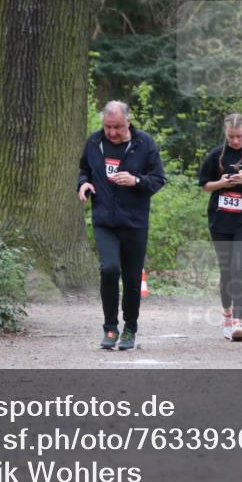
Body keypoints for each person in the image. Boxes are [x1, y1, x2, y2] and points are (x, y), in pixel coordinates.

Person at [78, 101, 166, 351]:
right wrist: (83, 184)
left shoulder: (144, 143)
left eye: (117, 127)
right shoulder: (95, 142)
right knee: (109, 269)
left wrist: (136, 180)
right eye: (108, 127)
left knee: (131, 278)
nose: (112, 132)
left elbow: (158, 179)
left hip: (134, 222)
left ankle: (130, 327)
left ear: (128, 122)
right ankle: (110, 327)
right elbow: (84, 169)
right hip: (104, 220)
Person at [198, 113, 242, 341]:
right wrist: (223, 183)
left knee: (239, 267)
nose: (235, 141)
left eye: (239, 137)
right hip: (220, 222)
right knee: (226, 271)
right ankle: (227, 315)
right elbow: (205, 186)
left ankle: (238, 322)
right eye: (231, 137)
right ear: (226, 134)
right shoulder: (215, 155)